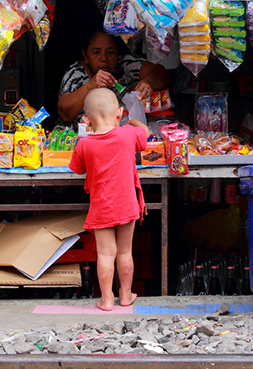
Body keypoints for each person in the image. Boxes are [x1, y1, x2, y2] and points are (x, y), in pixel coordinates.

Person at [68, 87, 149, 311]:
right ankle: (125, 295)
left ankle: (106, 299)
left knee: (105, 253)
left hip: (102, 206)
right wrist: (132, 122)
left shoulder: (84, 143)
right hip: (126, 204)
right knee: (125, 252)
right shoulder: (128, 134)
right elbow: (145, 133)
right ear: (119, 113)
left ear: (86, 119)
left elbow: (76, 169)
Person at [57, 31, 168, 126]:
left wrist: (148, 82)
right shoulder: (77, 73)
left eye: (110, 52)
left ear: (117, 53)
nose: (104, 58)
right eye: (96, 52)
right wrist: (90, 86)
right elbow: (65, 113)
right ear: (85, 56)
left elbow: (161, 73)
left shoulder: (124, 65)